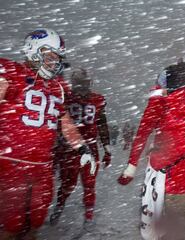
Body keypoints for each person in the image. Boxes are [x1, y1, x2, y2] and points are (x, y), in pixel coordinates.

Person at [0, 28, 95, 240]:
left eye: (56, 58)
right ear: (34, 50)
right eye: (50, 56)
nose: (54, 62)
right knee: (10, 227)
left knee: (35, 224)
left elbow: (64, 121)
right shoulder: (12, 72)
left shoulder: (56, 87)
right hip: (12, 162)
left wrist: (81, 147)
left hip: (43, 166)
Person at [118, 57, 185, 240]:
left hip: (179, 182)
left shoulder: (175, 100)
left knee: (171, 229)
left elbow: (144, 134)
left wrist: (133, 166)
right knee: (177, 228)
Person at [50, 68, 111, 229]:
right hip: (70, 148)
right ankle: (60, 205)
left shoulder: (96, 100)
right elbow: (57, 123)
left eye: (85, 83)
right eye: (80, 83)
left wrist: (107, 148)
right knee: (68, 184)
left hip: (86, 148)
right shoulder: (65, 98)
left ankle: (88, 216)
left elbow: (102, 123)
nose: (83, 86)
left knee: (89, 184)